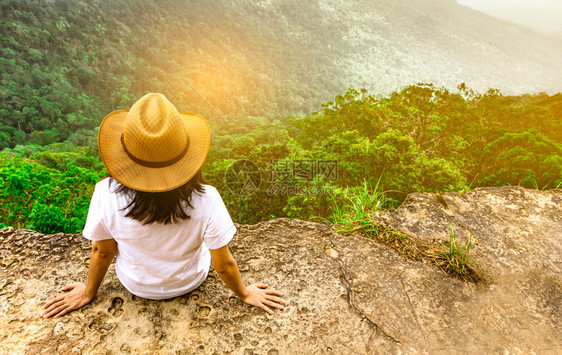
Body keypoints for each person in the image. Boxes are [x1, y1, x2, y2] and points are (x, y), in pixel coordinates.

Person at [42, 93, 286, 318]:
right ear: (185, 154)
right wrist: (244, 294)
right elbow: (223, 265)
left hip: (135, 284)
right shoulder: (207, 198)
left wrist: (88, 291)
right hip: (189, 281)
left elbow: (103, 252)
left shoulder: (105, 194)